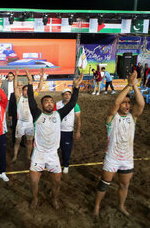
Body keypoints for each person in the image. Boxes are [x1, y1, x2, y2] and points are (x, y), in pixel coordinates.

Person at [27, 70, 83, 210]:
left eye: (51, 101)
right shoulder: (37, 114)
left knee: (57, 182)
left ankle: (54, 199)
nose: (50, 103)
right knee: (34, 182)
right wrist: (29, 83)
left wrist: (76, 88)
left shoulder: (58, 114)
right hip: (38, 154)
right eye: (46, 102)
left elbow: (71, 104)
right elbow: (30, 100)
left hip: (53, 155)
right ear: (42, 105)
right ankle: (35, 199)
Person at [93, 71, 145, 218]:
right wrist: (128, 85)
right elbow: (116, 102)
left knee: (124, 185)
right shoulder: (111, 117)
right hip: (112, 157)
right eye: (125, 102)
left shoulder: (132, 117)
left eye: (129, 103)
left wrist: (135, 86)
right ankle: (97, 206)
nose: (127, 105)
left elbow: (141, 104)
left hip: (127, 158)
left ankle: (121, 206)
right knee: (104, 184)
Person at [12, 68, 44, 162]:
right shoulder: (19, 97)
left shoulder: (32, 98)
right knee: (17, 141)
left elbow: (39, 87)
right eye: (24, 90)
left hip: (30, 124)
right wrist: (16, 76)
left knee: (29, 141)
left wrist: (42, 77)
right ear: (22, 91)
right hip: (20, 123)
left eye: (27, 90)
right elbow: (15, 87)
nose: (26, 91)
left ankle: (28, 156)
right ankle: (15, 156)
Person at [54, 88, 81, 174]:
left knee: (66, 149)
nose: (67, 96)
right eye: (65, 94)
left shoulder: (75, 105)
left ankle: (66, 165)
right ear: (62, 95)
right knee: (55, 148)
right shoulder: (57, 104)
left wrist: (78, 131)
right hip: (57, 131)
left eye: (69, 94)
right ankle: (55, 164)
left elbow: (78, 119)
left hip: (68, 131)